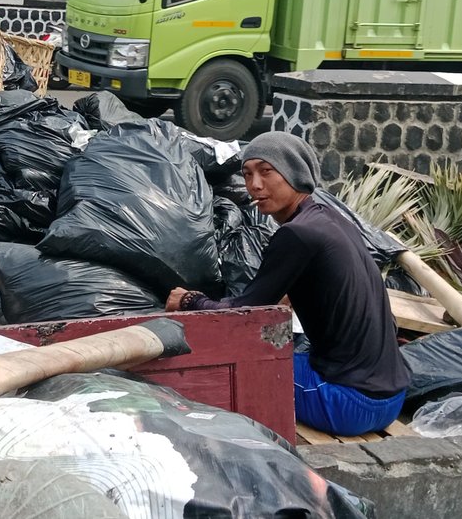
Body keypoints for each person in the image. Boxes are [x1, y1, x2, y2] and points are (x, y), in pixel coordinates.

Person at [165, 132, 410, 436]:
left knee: (237, 363)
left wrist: (191, 301)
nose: (254, 185)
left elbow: (241, 314)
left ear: (294, 173)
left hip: (351, 404)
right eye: (247, 174)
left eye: (266, 172)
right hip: (390, 399)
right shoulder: (330, 220)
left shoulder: (297, 234)